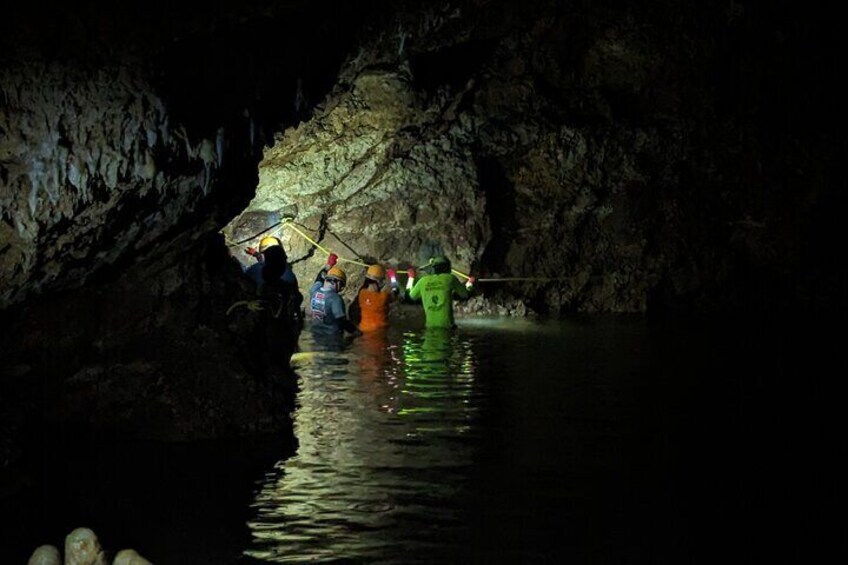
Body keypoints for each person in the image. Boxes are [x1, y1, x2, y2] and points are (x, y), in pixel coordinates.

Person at [407, 255, 475, 328]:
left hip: (430, 326)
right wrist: (470, 283)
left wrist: (411, 278)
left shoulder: (423, 281)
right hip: (447, 326)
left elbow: (409, 296)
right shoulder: (450, 278)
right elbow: (465, 294)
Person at [308, 253, 362, 337]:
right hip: (332, 340)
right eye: (342, 286)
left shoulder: (314, 290)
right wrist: (357, 333)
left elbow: (319, 277)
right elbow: (342, 321)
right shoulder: (335, 299)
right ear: (338, 283)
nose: (340, 289)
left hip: (316, 335)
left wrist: (329, 265)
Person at [351, 264, 398, 332]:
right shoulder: (383, 297)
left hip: (363, 330)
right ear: (380, 282)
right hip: (379, 333)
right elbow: (395, 292)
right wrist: (393, 277)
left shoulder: (362, 293)